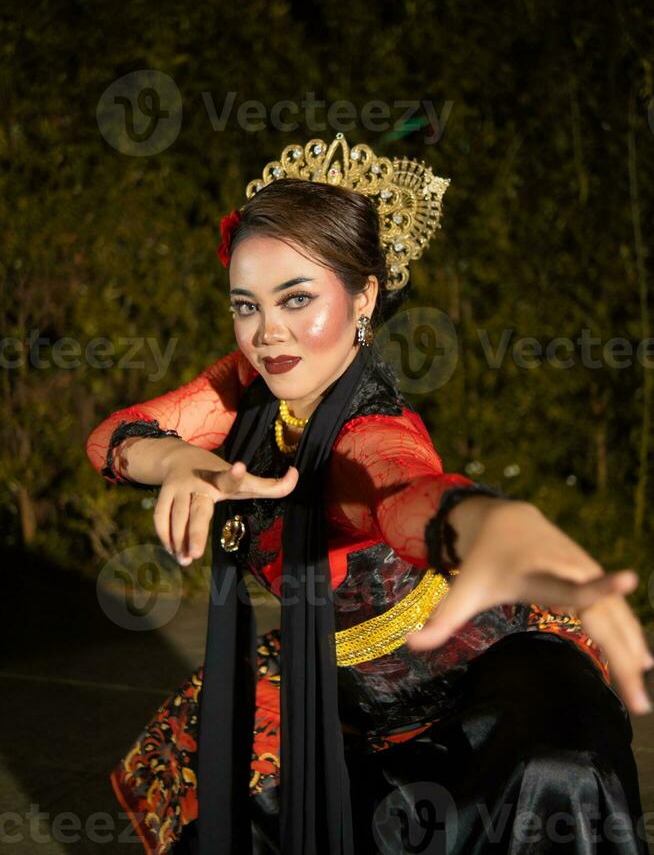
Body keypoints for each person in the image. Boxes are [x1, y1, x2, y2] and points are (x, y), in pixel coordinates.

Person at [86, 133, 652, 855]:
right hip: (341, 674)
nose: (269, 332)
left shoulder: (369, 425)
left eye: (297, 298)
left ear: (366, 297)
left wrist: (479, 520)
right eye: (245, 305)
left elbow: (402, 486)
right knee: (206, 759)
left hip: (482, 670)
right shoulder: (248, 382)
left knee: (548, 774)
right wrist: (171, 459)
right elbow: (111, 439)